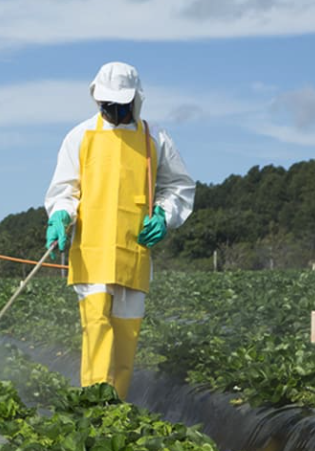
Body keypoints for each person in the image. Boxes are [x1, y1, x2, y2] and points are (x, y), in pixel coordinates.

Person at [44, 61, 194, 400]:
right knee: (96, 330)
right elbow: (65, 190)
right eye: (107, 105)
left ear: (135, 101)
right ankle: (94, 410)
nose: (113, 111)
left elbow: (179, 186)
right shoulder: (79, 136)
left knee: (126, 340)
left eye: (120, 105)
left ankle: (117, 412)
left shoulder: (155, 138)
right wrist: (60, 217)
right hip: (92, 252)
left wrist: (164, 216)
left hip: (133, 252)